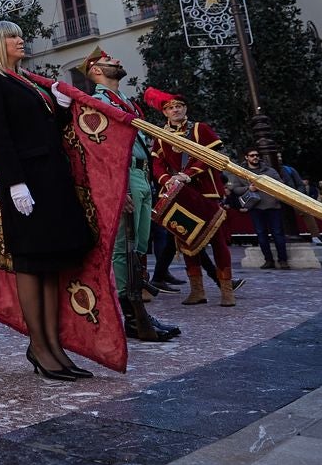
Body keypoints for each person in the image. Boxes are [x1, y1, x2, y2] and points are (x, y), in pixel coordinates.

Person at [0, 22, 94, 380]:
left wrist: (59, 108)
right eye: (12, 36)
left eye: (20, 34)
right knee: (30, 263)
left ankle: (54, 345)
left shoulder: (25, 80)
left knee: (51, 263)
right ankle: (39, 347)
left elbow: (42, 131)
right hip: (25, 182)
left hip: (51, 179)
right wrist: (15, 183)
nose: (20, 39)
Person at [82, 47, 177, 342]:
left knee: (139, 246)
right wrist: (116, 186)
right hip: (123, 176)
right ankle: (131, 314)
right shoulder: (99, 102)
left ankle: (139, 312)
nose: (118, 61)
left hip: (141, 175)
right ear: (96, 70)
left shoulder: (125, 102)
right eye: (110, 61)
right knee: (123, 249)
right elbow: (100, 149)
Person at [148, 92, 238, 305]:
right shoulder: (161, 135)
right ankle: (197, 291)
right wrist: (166, 180)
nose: (175, 110)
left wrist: (186, 175)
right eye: (170, 108)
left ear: (185, 109)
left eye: (179, 106)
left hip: (205, 191)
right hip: (179, 193)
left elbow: (210, 157)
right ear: (165, 112)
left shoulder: (200, 129)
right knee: (185, 239)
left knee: (217, 240)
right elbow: (157, 164)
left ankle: (227, 291)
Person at [227, 148, 297, 271]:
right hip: (255, 207)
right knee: (261, 235)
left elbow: (280, 184)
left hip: (273, 206)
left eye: (257, 155)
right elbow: (235, 189)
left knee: (278, 234)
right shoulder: (241, 173)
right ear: (247, 157)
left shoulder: (269, 171)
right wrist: (249, 188)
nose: (255, 157)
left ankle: (283, 260)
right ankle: (268, 260)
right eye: (252, 155)